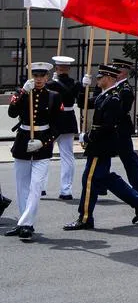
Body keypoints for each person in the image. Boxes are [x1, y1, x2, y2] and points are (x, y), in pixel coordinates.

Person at [64, 65, 138, 231]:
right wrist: (84, 87)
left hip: (100, 146)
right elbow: (83, 103)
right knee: (102, 178)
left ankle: (85, 218)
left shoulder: (113, 99)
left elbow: (106, 126)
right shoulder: (103, 96)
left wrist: (88, 137)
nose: (97, 80)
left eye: (100, 77)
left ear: (109, 78)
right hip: (99, 145)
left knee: (89, 180)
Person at [6, 62, 63, 242]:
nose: (38, 79)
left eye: (42, 76)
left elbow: (58, 126)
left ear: (47, 78)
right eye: (36, 76)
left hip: (42, 144)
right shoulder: (23, 93)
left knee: (36, 186)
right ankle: (25, 224)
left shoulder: (54, 96)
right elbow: (11, 113)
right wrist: (23, 92)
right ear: (32, 77)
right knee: (22, 186)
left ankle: (25, 223)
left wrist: (43, 142)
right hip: (23, 140)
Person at [109, 58, 138, 196]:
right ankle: (98, 185)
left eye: (117, 70)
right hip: (111, 129)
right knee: (101, 158)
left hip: (120, 130)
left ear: (123, 72)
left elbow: (121, 111)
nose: (114, 72)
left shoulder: (125, 90)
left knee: (129, 161)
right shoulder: (114, 87)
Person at [46, 55, 81, 200]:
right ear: (69, 69)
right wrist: (84, 87)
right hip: (68, 120)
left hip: (53, 121)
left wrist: (52, 82)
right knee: (67, 156)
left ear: (57, 68)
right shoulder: (76, 84)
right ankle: (66, 190)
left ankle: (41, 187)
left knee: (44, 155)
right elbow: (82, 102)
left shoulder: (51, 84)